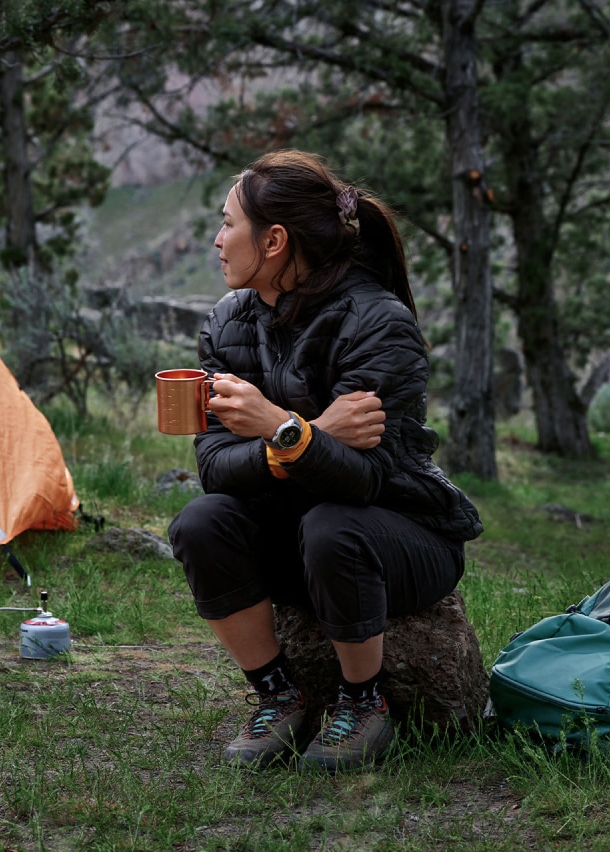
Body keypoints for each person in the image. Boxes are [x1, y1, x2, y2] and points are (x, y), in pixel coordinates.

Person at [167, 150, 483, 773]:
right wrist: (304, 434)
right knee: (200, 522)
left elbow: (366, 480)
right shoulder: (228, 323)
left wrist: (276, 427)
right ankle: (278, 695)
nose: (217, 238)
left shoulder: (379, 324)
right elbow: (214, 464)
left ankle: (365, 702)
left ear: (275, 240)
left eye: (229, 223)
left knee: (332, 524)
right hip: (296, 535)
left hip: (398, 538)